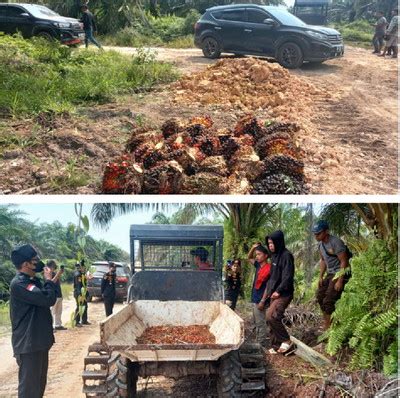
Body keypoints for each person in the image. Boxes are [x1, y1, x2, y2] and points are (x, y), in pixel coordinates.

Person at [9, 244, 60, 398]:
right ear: (25, 264)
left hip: (39, 342)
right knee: (29, 390)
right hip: (28, 344)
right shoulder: (20, 284)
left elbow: (52, 295)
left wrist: (50, 280)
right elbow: (47, 299)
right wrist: (49, 280)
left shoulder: (33, 281)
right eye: (35, 260)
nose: (39, 263)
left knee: (39, 386)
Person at [313, 220, 351, 330]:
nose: (316, 236)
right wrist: (320, 276)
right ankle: (328, 323)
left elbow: (344, 261)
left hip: (340, 272)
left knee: (328, 300)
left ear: (326, 232)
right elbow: (323, 260)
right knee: (320, 296)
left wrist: (340, 280)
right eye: (315, 234)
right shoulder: (320, 245)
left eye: (318, 233)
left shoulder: (336, 242)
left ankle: (330, 328)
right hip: (330, 274)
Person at [264, 231, 295, 355]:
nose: (270, 245)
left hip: (283, 293)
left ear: (278, 242)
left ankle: (286, 340)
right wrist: (270, 291)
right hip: (274, 293)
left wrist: (278, 290)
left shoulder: (286, 256)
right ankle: (276, 345)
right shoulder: (274, 256)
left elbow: (288, 276)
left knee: (272, 316)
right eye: (269, 243)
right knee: (270, 319)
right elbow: (273, 276)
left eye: (272, 243)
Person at [248, 243, 271, 348]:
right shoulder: (258, 265)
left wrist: (262, 300)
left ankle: (261, 344)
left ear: (266, 255)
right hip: (255, 297)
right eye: (256, 254)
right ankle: (258, 341)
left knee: (260, 322)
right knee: (256, 322)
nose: (256, 256)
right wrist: (253, 248)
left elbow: (268, 286)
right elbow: (249, 258)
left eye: (259, 254)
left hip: (261, 299)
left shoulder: (268, 268)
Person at [47, 260, 66, 331]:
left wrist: (59, 274)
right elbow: (51, 282)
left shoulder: (54, 273)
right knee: (52, 311)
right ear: (51, 265)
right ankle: (50, 327)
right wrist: (58, 274)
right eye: (54, 265)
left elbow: (57, 282)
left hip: (58, 293)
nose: (55, 266)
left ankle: (58, 325)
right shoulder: (47, 273)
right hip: (53, 295)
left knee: (59, 311)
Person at [73, 260, 90, 327]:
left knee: (85, 306)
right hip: (79, 293)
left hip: (83, 293)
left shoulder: (82, 274)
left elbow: (84, 284)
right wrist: (80, 295)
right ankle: (76, 322)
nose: (84, 268)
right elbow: (78, 286)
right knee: (79, 307)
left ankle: (84, 320)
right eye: (83, 266)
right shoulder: (78, 275)